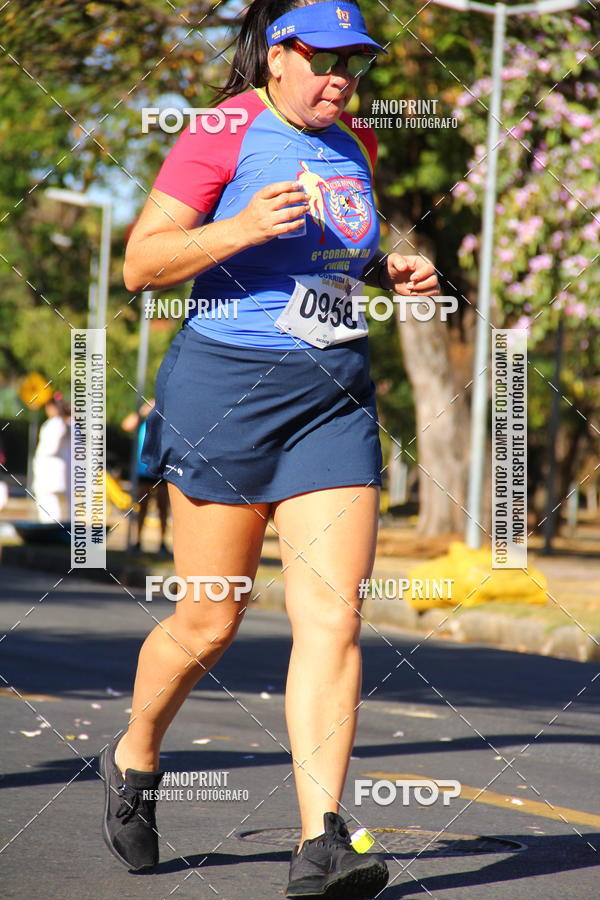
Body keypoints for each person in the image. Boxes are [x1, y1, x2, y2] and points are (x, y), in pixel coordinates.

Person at [100, 0, 440, 896]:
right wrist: (240, 228)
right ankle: (135, 756)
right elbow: (142, 263)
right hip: (225, 393)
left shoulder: (352, 145)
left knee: (333, 618)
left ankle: (320, 840)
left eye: (355, 64)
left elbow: (331, 251)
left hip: (331, 397)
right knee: (212, 617)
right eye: (325, 61)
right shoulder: (223, 128)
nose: (341, 79)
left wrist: (385, 267)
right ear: (279, 56)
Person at [120, 399, 170, 555]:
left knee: (163, 508)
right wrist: (142, 411)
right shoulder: (144, 419)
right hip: (143, 471)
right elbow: (127, 425)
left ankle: (162, 543)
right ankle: (137, 541)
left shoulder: (166, 417)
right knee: (141, 507)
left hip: (162, 470)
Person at [32, 393, 71, 523]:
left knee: (49, 502)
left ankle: (52, 527)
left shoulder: (57, 423)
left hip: (50, 469)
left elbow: (51, 448)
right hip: (60, 468)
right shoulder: (65, 423)